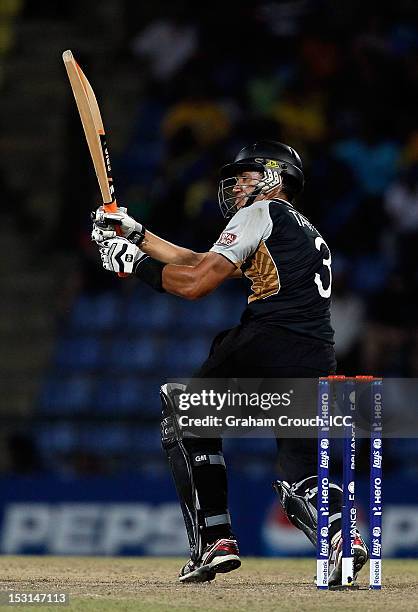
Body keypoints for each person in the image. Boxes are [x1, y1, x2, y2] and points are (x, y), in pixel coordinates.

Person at [92, 140, 368, 585]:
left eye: (246, 176)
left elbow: (195, 284)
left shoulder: (260, 214)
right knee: (300, 473)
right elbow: (201, 261)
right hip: (315, 353)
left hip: (267, 338)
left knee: (183, 408)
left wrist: (131, 264)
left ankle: (214, 539)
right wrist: (136, 233)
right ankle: (343, 538)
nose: (236, 186)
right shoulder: (300, 230)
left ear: (276, 177)